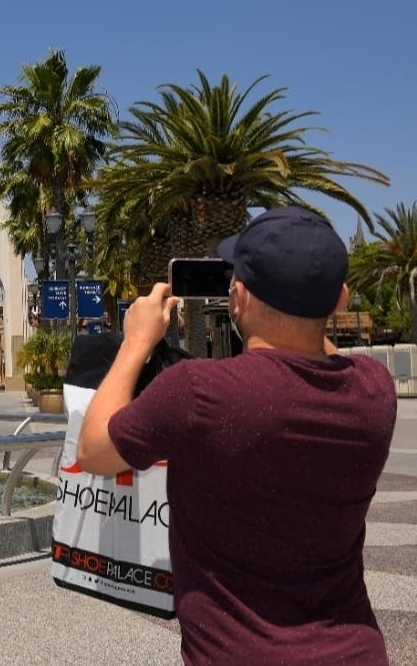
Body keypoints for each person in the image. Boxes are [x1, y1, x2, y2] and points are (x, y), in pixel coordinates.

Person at [77, 206, 397, 664]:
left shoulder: (199, 393)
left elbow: (93, 451)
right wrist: (308, 307)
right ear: (340, 300)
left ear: (239, 296)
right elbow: (315, 357)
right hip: (356, 652)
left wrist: (136, 342)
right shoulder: (375, 390)